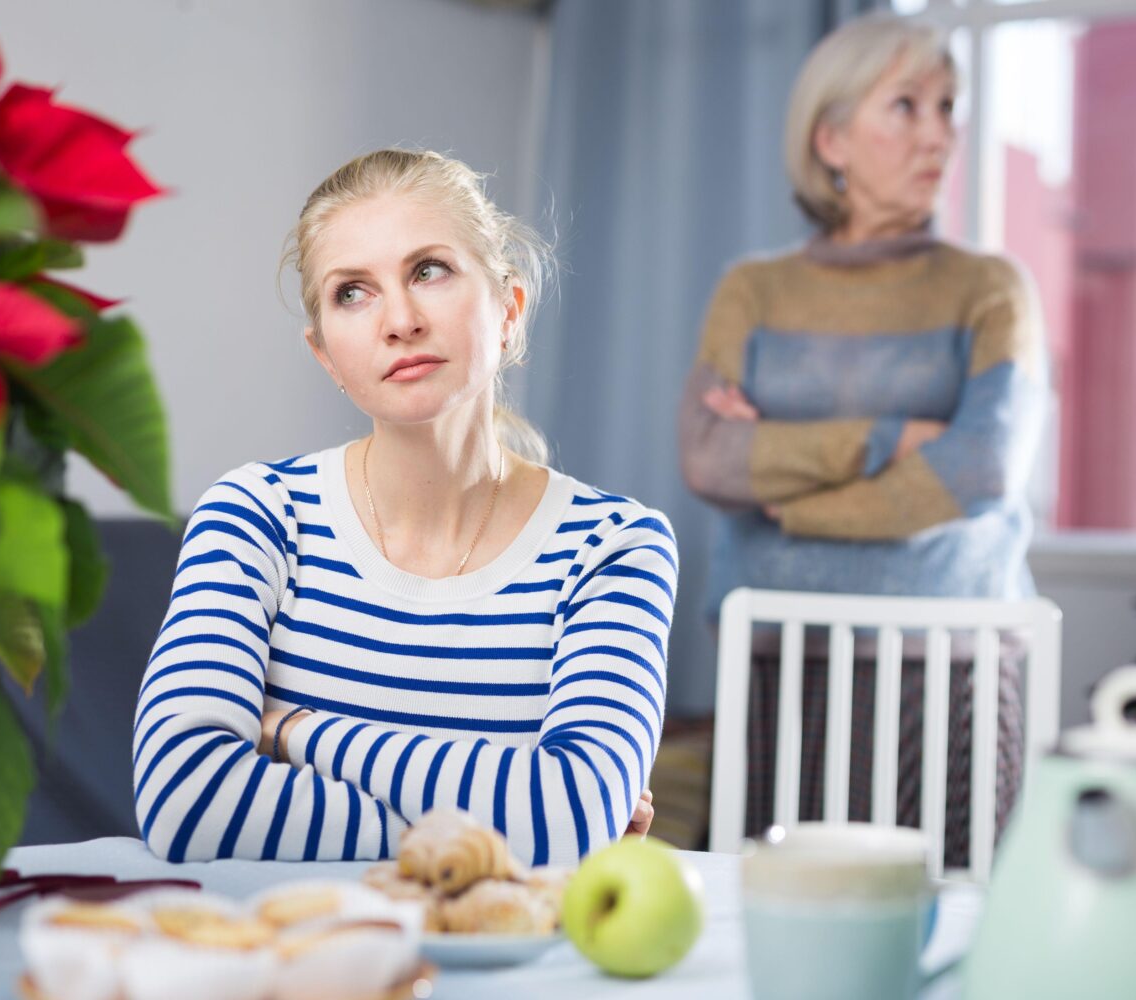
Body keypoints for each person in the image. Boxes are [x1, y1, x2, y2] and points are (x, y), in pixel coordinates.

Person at [134, 149, 672, 865]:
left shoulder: (614, 546)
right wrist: (511, 830)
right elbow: (185, 805)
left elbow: (571, 817)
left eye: (429, 271)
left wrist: (295, 731)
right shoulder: (255, 515)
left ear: (508, 309)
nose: (399, 320)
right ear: (326, 355)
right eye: (352, 293)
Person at [678, 14, 1047, 861]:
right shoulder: (754, 290)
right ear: (831, 139)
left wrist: (785, 494)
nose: (940, 134)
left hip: (954, 669)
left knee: (953, 928)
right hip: (781, 664)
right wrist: (890, 437)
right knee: (766, 926)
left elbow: (983, 467)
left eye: (949, 107)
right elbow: (707, 454)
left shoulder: (991, 288)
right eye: (907, 106)